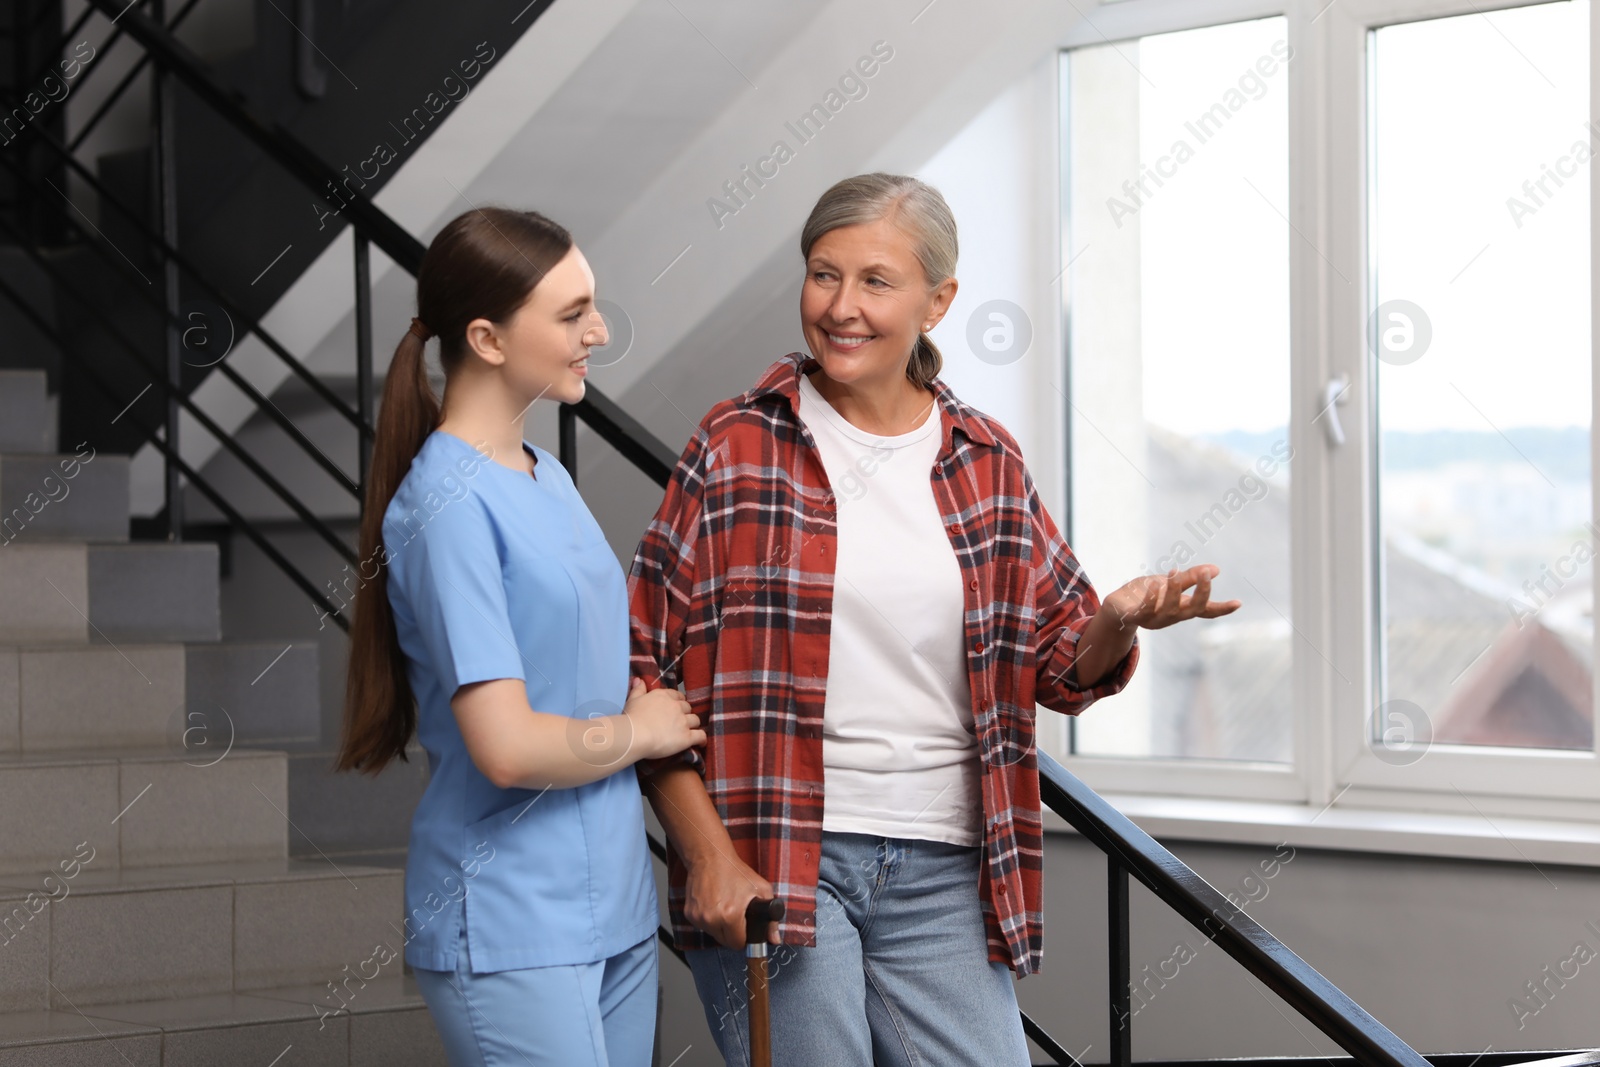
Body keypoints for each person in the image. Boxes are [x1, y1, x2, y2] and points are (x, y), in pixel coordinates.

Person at [627, 172, 1240, 1066]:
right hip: (782, 853)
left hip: (946, 864)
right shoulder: (735, 446)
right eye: (823, 274)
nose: (841, 306)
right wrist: (706, 854)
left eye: (876, 280)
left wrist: (1116, 617)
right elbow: (645, 662)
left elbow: (1060, 660)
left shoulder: (987, 458)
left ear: (938, 300)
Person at [336, 206, 703, 1066]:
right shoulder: (447, 506)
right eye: (573, 315)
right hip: (508, 917)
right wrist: (639, 731)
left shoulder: (549, 479)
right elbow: (503, 747)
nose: (599, 332)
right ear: (488, 339)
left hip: (611, 901)